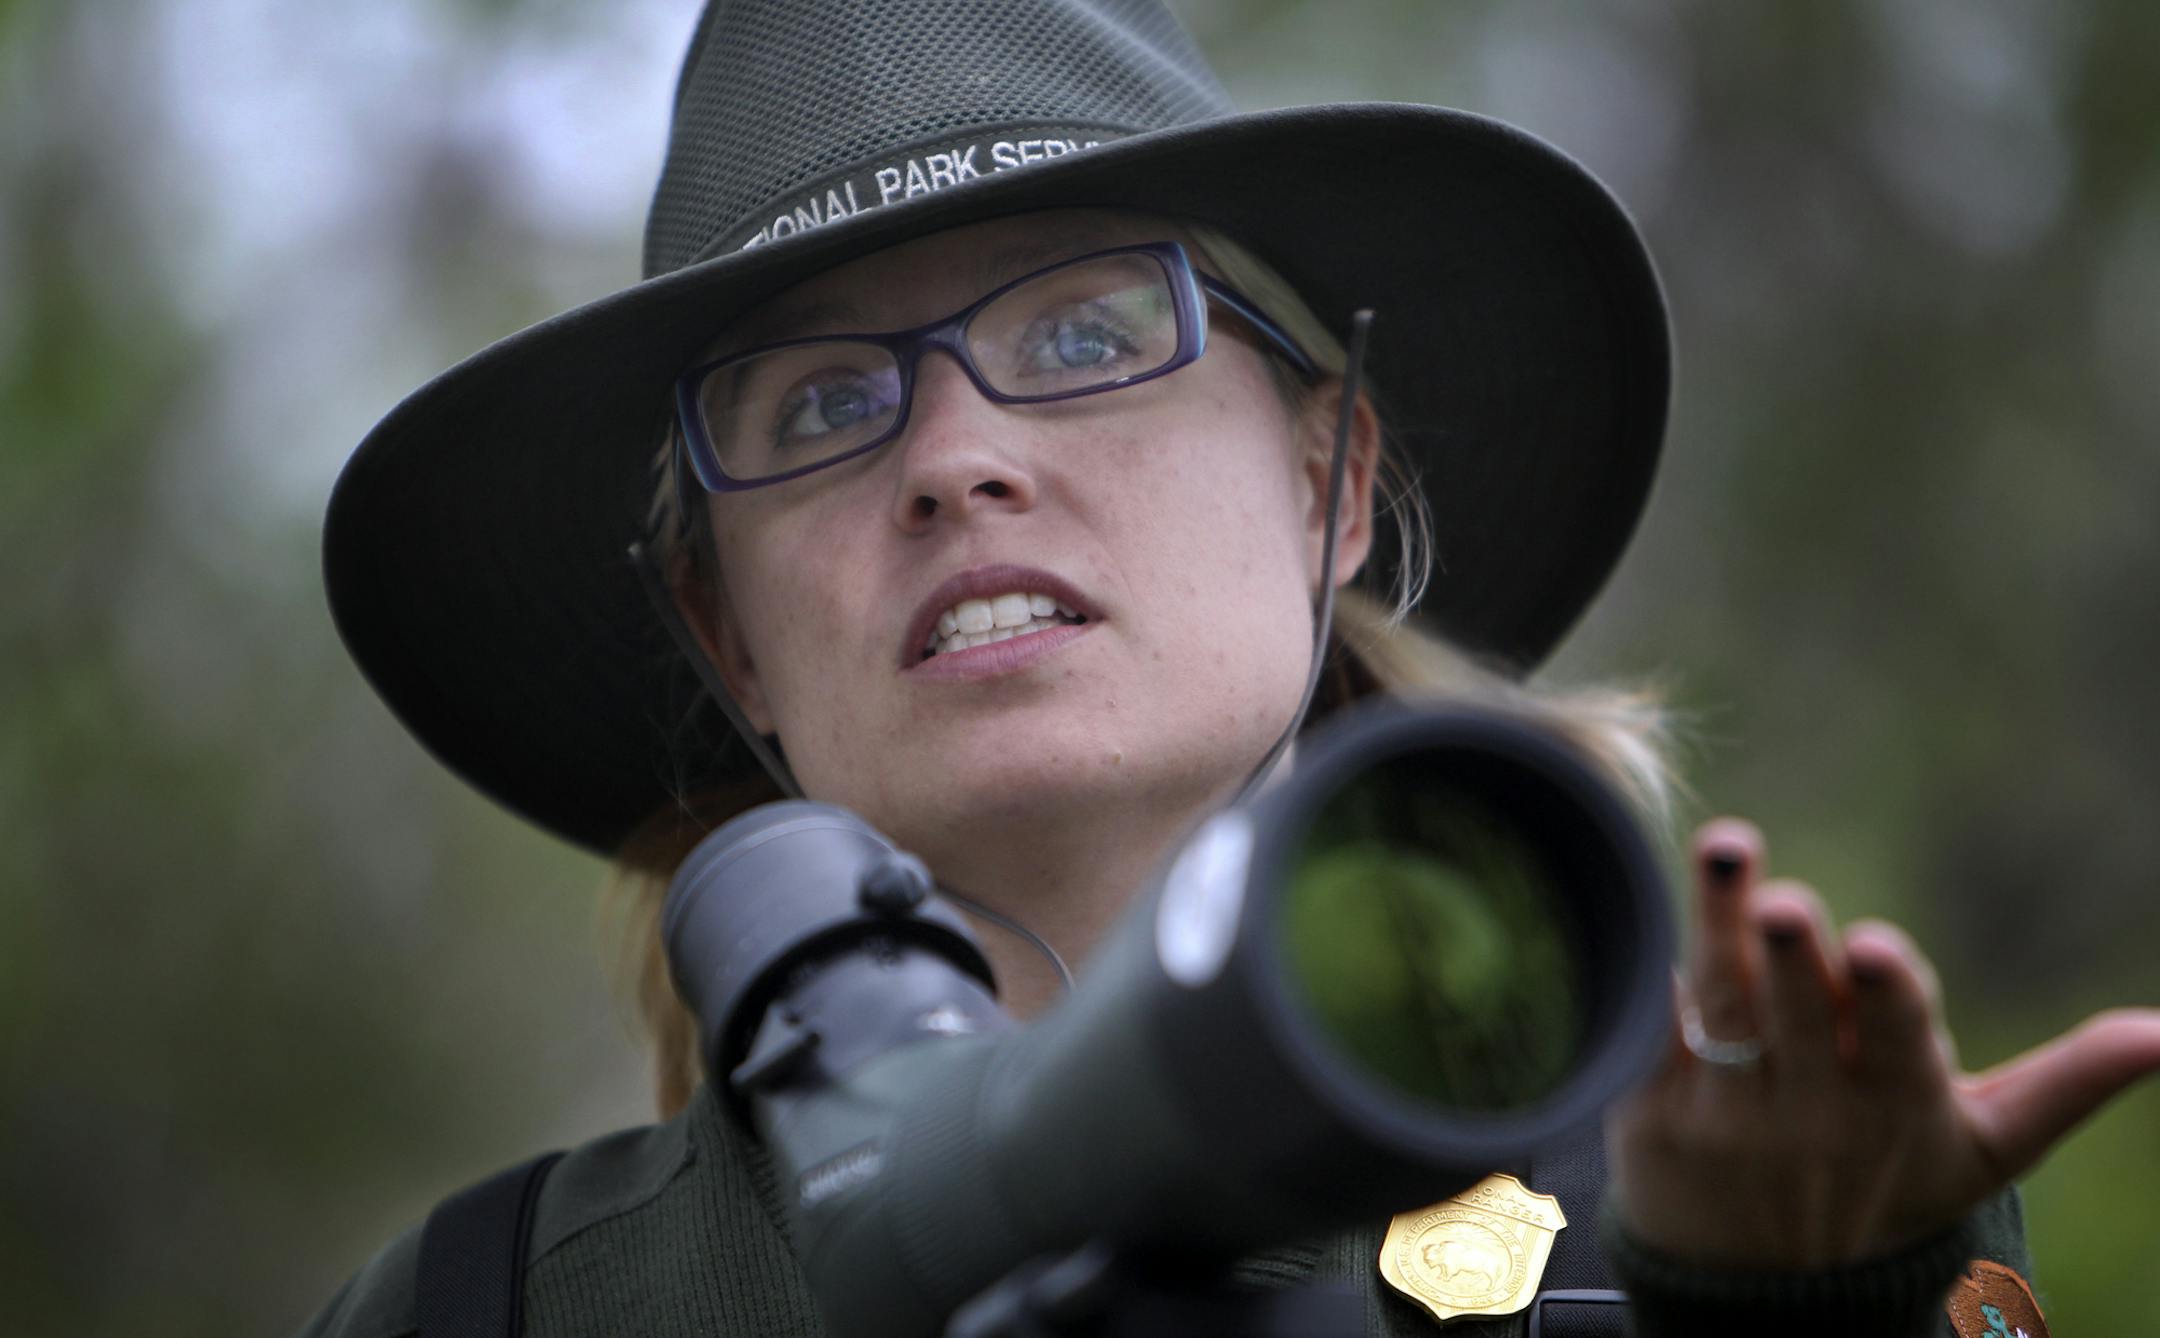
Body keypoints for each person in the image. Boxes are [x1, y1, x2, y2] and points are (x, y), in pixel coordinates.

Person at [303, 2, 2160, 1335]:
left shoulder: (1740, 1199)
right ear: (732, 636)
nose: (954, 456)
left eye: (1092, 327)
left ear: (1332, 482)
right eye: (825, 400)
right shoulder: (498, 1306)